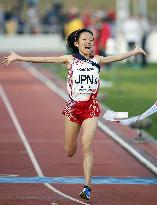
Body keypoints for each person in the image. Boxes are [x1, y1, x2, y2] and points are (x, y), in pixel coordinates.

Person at [2, 28, 146, 200]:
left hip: (91, 108)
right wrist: (19, 57)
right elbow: (45, 59)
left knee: (87, 147)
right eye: (84, 39)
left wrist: (134, 51)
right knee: (70, 151)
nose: (88, 42)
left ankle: (87, 187)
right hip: (73, 109)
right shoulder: (70, 59)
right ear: (77, 44)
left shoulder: (97, 60)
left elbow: (117, 57)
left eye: (91, 39)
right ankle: (74, 150)